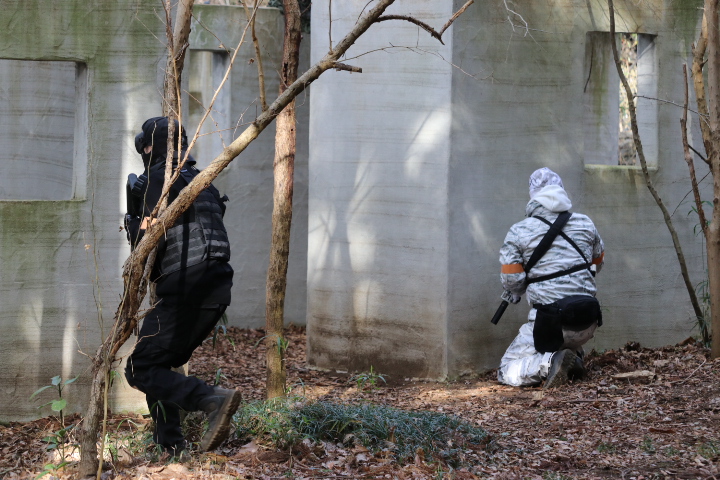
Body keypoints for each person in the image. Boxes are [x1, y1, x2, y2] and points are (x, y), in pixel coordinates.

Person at [123, 116, 240, 456]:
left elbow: (145, 245)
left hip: (186, 284)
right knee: (157, 362)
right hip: (217, 287)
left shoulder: (157, 181)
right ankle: (170, 446)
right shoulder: (203, 182)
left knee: (140, 368)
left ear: (152, 148)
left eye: (146, 146)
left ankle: (211, 399)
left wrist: (133, 222)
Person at [497, 167, 605, 389]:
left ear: (533, 196)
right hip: (588, 320)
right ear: (561, 191)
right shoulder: (585, 223)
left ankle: (550, 363)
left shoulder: (519, 231)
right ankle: (572, 356)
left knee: (506, 369)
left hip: (551, 324)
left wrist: (519, 290)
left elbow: (512, 280)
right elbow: (597, 264)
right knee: (566, 334)